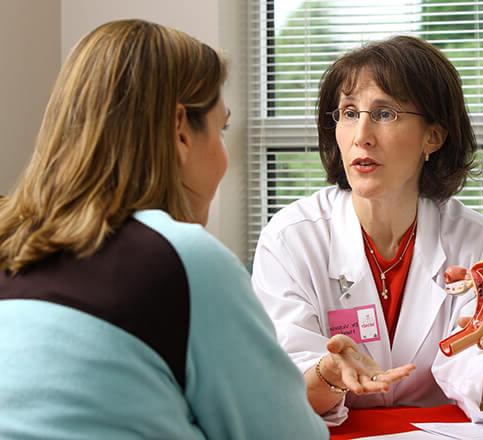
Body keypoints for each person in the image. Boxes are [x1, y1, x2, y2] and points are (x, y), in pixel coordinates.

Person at [0, 19, 327, 440]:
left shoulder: (11, 240)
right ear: (180, 132)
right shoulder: (181, 260)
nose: (225, 158)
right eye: (221, 128)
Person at [251, 35, 483, 427]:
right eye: (349, 112)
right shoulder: (291, 238)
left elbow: (476, 380)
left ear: (433, 137)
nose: (361, 135)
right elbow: (279, 390)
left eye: (384, 114)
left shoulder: (472, 239)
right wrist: (331, 373)